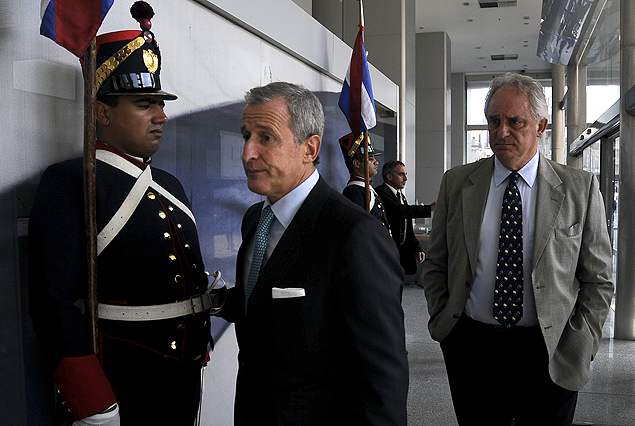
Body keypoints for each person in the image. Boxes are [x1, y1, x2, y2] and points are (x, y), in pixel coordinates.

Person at [29, 4, 224, 425]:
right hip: (122, 385)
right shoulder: (70, 183)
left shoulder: (169, 184)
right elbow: (53, 304)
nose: (161, 117)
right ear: (102, 112)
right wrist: (93, 402)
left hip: (183, 375)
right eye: (144, 104)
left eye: (160, 103)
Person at [422, 72, 613, 425]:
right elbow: (436, 263)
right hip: (472, 346)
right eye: (494, 121)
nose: (501, 131)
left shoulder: (579, 188)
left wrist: (582, 343)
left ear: (540, 126)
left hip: (551, 350)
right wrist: (444, 324)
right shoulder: (457, 183)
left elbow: (599, 279)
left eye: (515, 121)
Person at [220, 81, 409, 425]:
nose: (248, 153)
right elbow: (272, 306)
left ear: (309, 148)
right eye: (246, 136)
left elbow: (382, 376)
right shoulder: (255, 220)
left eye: (266, 137)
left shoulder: (354, 234)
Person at [376, 160, 436, 275]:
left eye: (406, 174)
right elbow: (400, 211)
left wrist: (417, 247)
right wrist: (429, 208)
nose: (406, 179)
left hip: (401, 251)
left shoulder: (400, 196)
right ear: (389, 176)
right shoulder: (381, 192)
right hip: (388, 250)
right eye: (401, 174)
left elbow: (407, 225)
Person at [340, 134, 390, 232]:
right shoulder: (354, 191)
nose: (376, 162)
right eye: (370, 159)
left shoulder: (367, 188)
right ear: (356, 164)